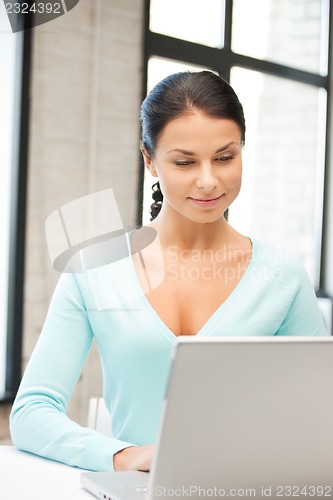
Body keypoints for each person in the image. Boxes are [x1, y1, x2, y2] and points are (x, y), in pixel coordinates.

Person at [10, 71, 326, 473]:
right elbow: (31, 413)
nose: (209, 180)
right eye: (184, 162)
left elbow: (317, 414)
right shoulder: (93, 269)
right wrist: (124, 456)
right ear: (149, 160)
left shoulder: (282, 278)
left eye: (225, 157)